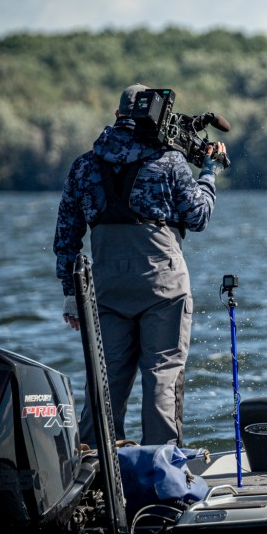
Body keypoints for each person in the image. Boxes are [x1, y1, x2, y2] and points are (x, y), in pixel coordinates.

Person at [54, 83, 227, 446]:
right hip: (163, 286)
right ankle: (163, 466)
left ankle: (96, 464)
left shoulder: (84, 166)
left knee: (105, 380)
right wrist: (209, 173)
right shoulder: (170, 161)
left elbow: (66, 237)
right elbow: (197, 217)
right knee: (163, 376)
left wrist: (72, 295)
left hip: (108, 288)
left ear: (117, 116)